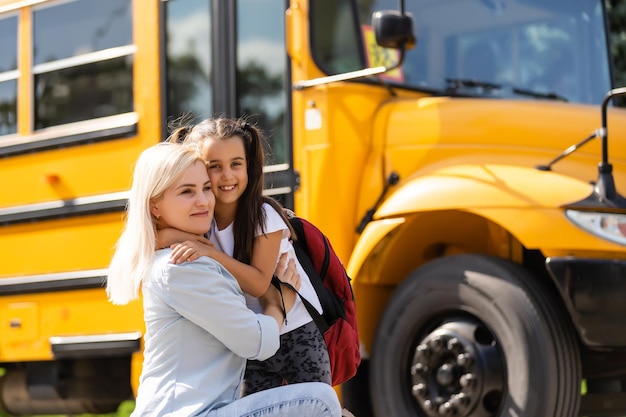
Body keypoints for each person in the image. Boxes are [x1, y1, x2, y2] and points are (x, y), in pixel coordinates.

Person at [106, 142, 341, 417]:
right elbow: (257, 344)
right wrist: (280, 301)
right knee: (321, 400)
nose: (203, 201)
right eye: (187, 192)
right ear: (154, 206)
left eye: (206, 188)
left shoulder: (184, 254)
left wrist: (172, 236)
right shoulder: (180, 268)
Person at [159, 117, 332, 395]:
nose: (227, 176)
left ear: (249, 166)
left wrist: (210, 253)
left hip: (298, 335)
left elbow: (258, 284)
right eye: (214, 167)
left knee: (314, 405)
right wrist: (175, 238)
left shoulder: (264, 216)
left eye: (236, 164)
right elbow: (157, 238)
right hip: (252, 340)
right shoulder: (204, 221)